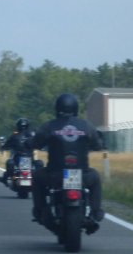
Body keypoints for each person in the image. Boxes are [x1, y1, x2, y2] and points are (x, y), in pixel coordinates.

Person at [27, 93, 104, 228]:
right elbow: (98, 144)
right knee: (96, 178)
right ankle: (95, 211)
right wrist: (98, 144)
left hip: (54, 175)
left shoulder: (49, 126)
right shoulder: (86, 126)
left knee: (37, 177)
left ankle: (39, 210)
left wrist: (30, 143)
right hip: (82, 174)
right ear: (76, 108)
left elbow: (36, 142)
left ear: (57, 108)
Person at [0, 118, 34, 186]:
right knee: (38, 164)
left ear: (18, 126)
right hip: (30, 158)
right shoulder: (32, 136)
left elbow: (7, 145)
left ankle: (5, 178)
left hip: (19, 157)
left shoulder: (14, 136)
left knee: (10, 163)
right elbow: (39, 144)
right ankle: (6, 178)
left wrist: (3, 147)